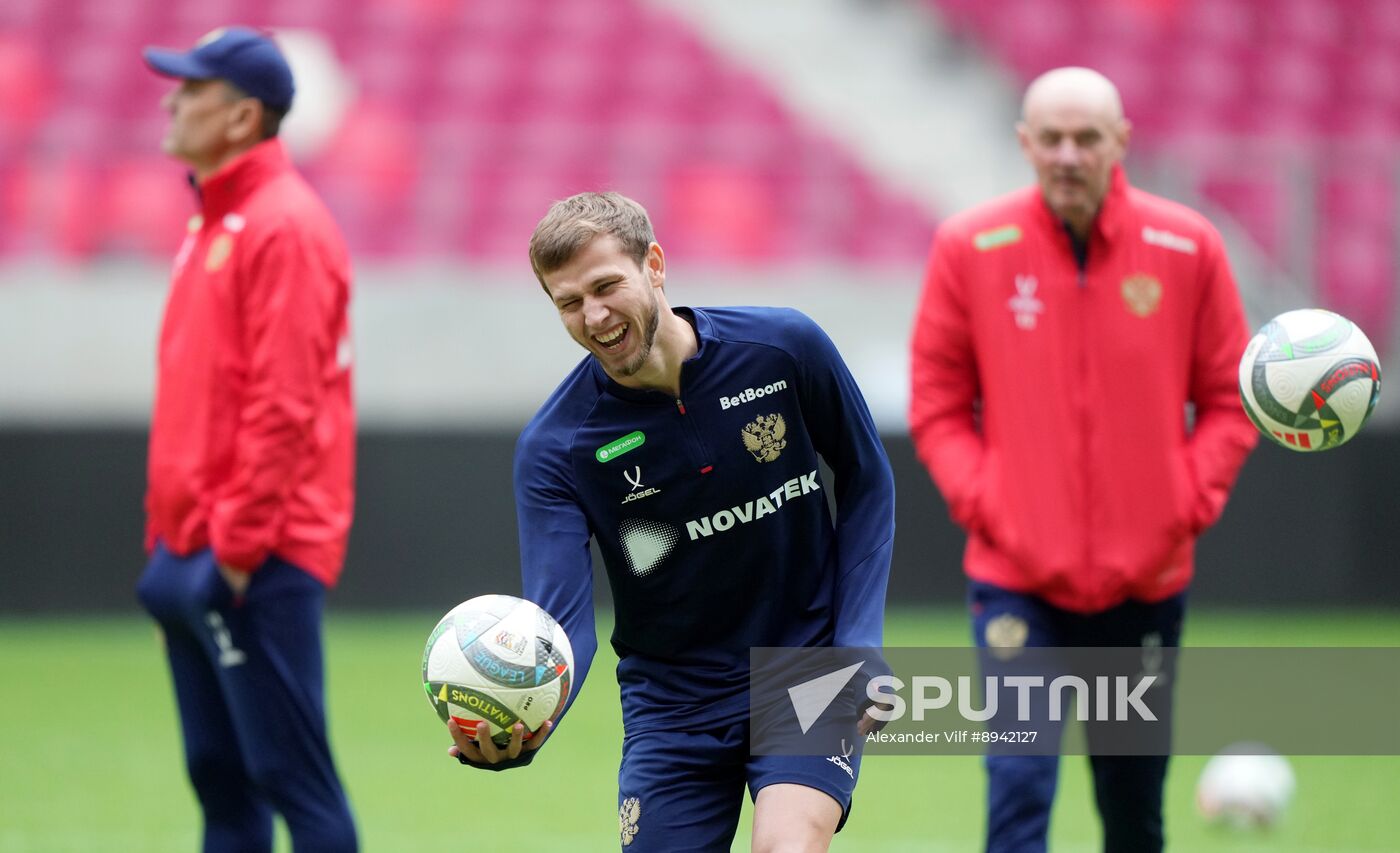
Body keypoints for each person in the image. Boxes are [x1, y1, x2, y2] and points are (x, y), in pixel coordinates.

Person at [448, 191, 895, 852]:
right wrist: (532, 721)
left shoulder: (783, 348)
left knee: (788, 845)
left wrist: (857, 640)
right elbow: (561, 624)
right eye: (569, 302)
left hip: (806, 666)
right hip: (672, 705)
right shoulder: (557, 447)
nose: (594, 316)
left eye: (606, 286)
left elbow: (866, 477)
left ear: (653, 265)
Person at [908, 67, 1258, 853]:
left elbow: (1231, 399)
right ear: (1025, 142)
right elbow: (936, 404)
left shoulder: (1187, 245)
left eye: (1087, 137)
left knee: (1133, 810)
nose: (1068, 154)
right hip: (1015, 579)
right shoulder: (970, 246)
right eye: (1052, 138)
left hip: (1145, 581)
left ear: (1121, 142)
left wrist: (1183, 503)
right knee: (1018, 788)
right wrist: (990, 502)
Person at [134, 27, 358, 853]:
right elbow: (195, 402)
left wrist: (231, 551)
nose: (172, 102)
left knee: (293, 780)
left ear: (241, 116)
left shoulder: (283, 226)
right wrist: (166, 545)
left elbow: (283, 405)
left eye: (192, 89)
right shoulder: (215, 223)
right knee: (221, 782)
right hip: (193, 547)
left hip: (254, 555)